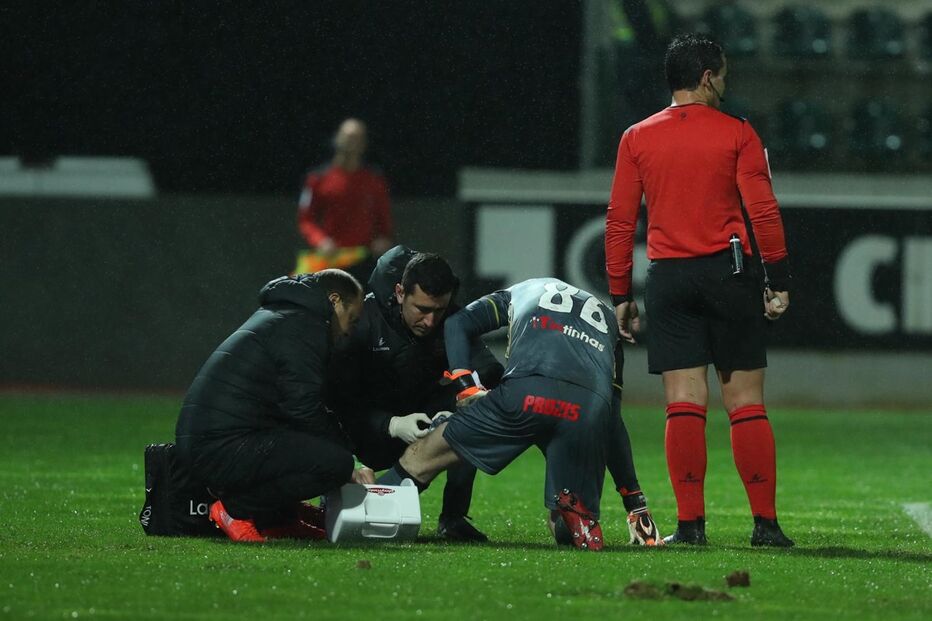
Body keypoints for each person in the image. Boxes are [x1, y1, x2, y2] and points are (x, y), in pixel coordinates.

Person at [604, 32, 794, 547]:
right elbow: (763, 211)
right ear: (707, 77)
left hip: (668, 278)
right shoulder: (738, 134)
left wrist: (620, 292)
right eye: (724, 74)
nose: (725, 83)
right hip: (728, 273)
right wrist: (777, 279)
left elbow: (620, 222)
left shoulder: (636, 137)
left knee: (683, 403)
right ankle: (766, 526)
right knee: (746, 403)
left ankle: (690, 527)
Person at [377, 277, 661, 551]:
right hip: (586, 409)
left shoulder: (523, 291)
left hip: (527, 394)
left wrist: (465, 385)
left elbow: (458, 323)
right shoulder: (609, 323)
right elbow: (611, 421)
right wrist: (635, 502)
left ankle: (373, 512)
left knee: (421, 457)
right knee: (562, 514)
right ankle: (568, 522)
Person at [174, 269, 374, 543]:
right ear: (335, 300)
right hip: (220, 446)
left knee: (315, 451)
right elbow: (303, 408)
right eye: (351, 319)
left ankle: (278, 518)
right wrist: (348, 460)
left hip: (215, 440)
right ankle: (236, 509)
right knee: (334, 464)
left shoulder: (287, 315)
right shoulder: (305, 326)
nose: (350, 330)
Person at [328, 246, 503, 541]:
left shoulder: (453, 322)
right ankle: (335, 495)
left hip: (419, 422)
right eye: (422, 310)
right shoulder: (363, 319)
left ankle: (453, 518)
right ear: (399, 293)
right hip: (362, 430)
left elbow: (489, 371)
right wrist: (390, 424)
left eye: (440, 310)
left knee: (474, 411)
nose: (431, 322)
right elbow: (336, 400)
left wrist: (459, 403)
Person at [296, 118, 393, 283]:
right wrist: (320, 241)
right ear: (337, 139)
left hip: (364, 262)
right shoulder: (317, 179)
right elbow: (306, 219)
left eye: (357, 138)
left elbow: (385, 222)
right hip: (329, 261)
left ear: (364, 144)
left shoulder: (374, 180)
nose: (352, 143)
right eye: (348, 137)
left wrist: (383, 240)